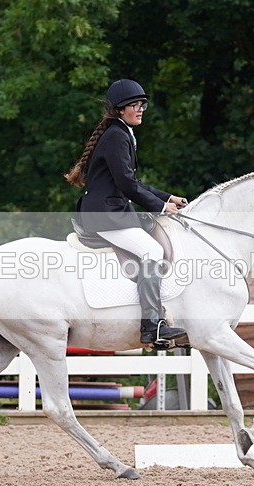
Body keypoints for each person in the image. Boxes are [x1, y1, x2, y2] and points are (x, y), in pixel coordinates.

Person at [65, 79, 188, 345]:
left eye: (142, 104)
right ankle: (152, 327)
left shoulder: (120, 132)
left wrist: (168, 197)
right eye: (135, 104)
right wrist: (160, 207)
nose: (141, 108)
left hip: (110, 210)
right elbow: (127, 185)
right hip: (104, 214)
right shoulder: (117, 136)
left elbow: (134, 182)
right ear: (120, 109)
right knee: (152, 251)